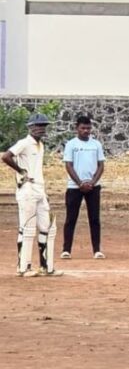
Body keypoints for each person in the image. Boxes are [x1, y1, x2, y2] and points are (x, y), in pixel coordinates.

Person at [2, 113, 60, 276]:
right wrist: (21, 171)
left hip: (39, 188)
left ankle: (46, 266)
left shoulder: (40, 145)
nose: (41, 129)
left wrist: (43, 190)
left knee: (46, 227)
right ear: (30, 127)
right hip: (27, 189)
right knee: (27, 228)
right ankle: (23, 267)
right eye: (38, 126)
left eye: (44, 126)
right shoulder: (24, 143)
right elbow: (6, 156)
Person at [62, 115, 106, 259]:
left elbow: (101, 165)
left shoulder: (96, 144)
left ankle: (97, 250)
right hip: (74, 187)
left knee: (94, 219)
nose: (86, 131)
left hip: (93, 187)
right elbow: (68, 165)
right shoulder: (71, 144)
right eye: (83, 128)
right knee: (71, 218)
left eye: (88, 128)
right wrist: (80, 183)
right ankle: (66, 249)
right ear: (77, 128)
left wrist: (92, 182)